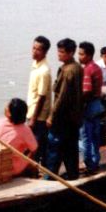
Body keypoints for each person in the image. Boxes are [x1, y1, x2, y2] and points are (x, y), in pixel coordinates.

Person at [46, 38, 83, 180]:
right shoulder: (77, 67)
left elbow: (61, 97)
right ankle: (73, 176)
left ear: (70, 52)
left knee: (55, 148)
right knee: (71, 149)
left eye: (62, 52)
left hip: (63, 118)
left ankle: (50, 178)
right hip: (73, 119)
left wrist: (51, 116)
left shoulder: (68, 71)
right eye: (58, 51)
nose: (58, 54)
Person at [0, 98, 38, 177]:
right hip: (12, 167)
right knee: (32, 161)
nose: (4, 108)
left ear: (9, 114)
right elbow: (34, 149)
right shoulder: (25, 130)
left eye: (7, 107)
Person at [78, 41, 105, 175]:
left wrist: (80, 104)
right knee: (95, 136)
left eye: (81, 54)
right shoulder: (96, 67)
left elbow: (87, 90)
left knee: (86, 137)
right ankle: (95, 161)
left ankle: (89, 163)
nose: (79, 56)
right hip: (97, 105)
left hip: (89, 106)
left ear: (88, 55)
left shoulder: (87, 69)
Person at [27, 36, 52, 165]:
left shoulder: (44, 71)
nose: (34, 51)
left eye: (38, 50)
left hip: (39, 117)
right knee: (33, 145)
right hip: (31, 111)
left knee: (36, 146)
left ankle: (36, 171)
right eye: (33, 48)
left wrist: (33, 119)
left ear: (45, 52)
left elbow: (41, 97)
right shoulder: (36, 65)